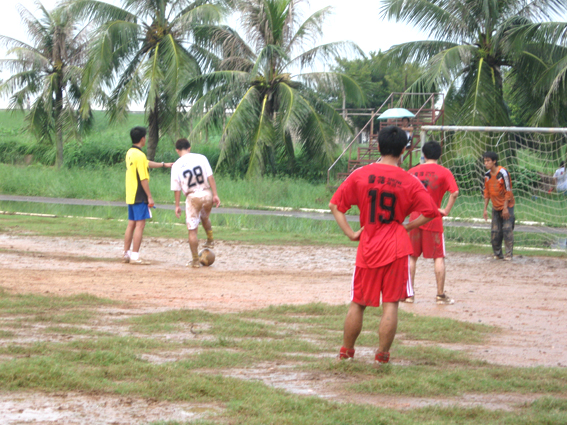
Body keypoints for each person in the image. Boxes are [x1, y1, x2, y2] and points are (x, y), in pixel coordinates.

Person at [329, 125, 440, 365]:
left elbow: (335, 205)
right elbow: (431, 211)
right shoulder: (410, 180)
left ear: (378, 146)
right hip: (397, 248)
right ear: (404, 150)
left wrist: (351, 234)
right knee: (391, 304)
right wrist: (407, 227)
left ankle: (346, 353)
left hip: (368, 246)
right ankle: (382, 357)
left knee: (358, 303)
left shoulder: (360, 174)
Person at [404, 140, 459, 305]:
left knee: (411, 257)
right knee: (438, 257)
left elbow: (404, 193)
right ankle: (440, 295)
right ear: (439, 155)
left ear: (424, 154)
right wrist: (446, 210)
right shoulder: (444, 172)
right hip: (433, 218)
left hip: (414, 219)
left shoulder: (412, 171)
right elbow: (454, 192)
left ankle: (409, 295)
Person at [123, 126, 173, 265]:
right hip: (139, 194)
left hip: (131, 193)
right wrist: (149, 196)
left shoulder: (130, 152)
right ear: (143, 138)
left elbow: (146, 164)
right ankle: (135, 256)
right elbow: (143, 178)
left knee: (131, 224)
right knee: (140, 225)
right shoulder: (140, 155)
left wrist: (163, 165)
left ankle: (126, 253)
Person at [171, 138, 221, 268]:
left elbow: (176, 188)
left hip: (192, 197)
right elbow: (210, 177)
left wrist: (177, 205)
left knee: (192, 230)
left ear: (177, 150)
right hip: (206, 193)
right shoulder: (201, 158)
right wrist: (215, 194)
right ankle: (210, 239)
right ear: (189, 147)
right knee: (205, 218)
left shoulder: (176, 165)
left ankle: (195, 261)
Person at [482, 151, 515, 260]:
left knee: (507, 229)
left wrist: (505, 208)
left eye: (488, 161)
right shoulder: (487, 175)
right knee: (495, 231)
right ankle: (497, 254)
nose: (486, 163)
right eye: (485, 161)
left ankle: (508, 254)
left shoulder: (503, 173)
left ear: (494, 161)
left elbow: (508, 191)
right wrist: (485, 209)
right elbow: (487, 193)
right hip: (495, 207)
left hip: (507, 205)